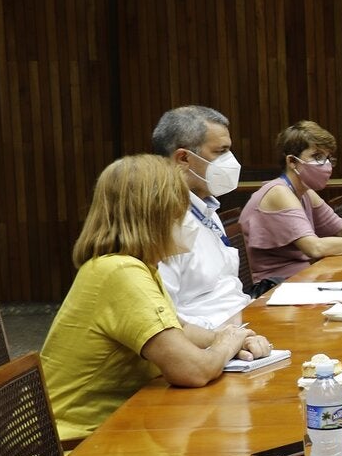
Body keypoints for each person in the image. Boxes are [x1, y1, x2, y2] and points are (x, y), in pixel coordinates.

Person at [41, 155, 272, 441]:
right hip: (80, 444)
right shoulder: (121, 272)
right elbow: (192, 371)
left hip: (118, 427)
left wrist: (227, 336)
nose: (187, 220)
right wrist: (225, 345)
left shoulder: (136, 265)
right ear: (155, 215)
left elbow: (178, 329)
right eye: (180, 210)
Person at [239, 120, 342, 295]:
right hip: (275, 289)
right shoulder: (278, 192)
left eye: (328, 158)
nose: (326, 165)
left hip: (304, 279)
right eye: (317, 156)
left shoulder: (304, 191)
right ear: (292, 161)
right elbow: (315, 248)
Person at [151, 105, 251, 329]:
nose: (231, 161)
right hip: (210, 341)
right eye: (220, 151)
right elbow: (164, 321)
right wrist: (226, 336)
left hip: (241, 324)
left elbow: (226, 289)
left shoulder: (205, 207)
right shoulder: (162, 221)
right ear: (184, 158)